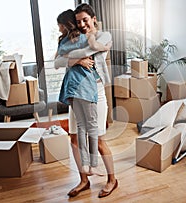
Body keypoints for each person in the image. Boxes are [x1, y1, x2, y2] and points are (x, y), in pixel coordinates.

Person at [54, 3, 118, 198]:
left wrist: (71, 58)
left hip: (95, 92)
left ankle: (112, 180)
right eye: (78, 21)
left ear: (94, 19)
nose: (82, 24)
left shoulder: (103, 36)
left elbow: (87, 50)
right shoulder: (74, 38)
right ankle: (84, 180)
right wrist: (76, 60)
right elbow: (57, 63)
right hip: (76, 92)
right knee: (74, 137)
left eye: (85, 20)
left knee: (97, 140)